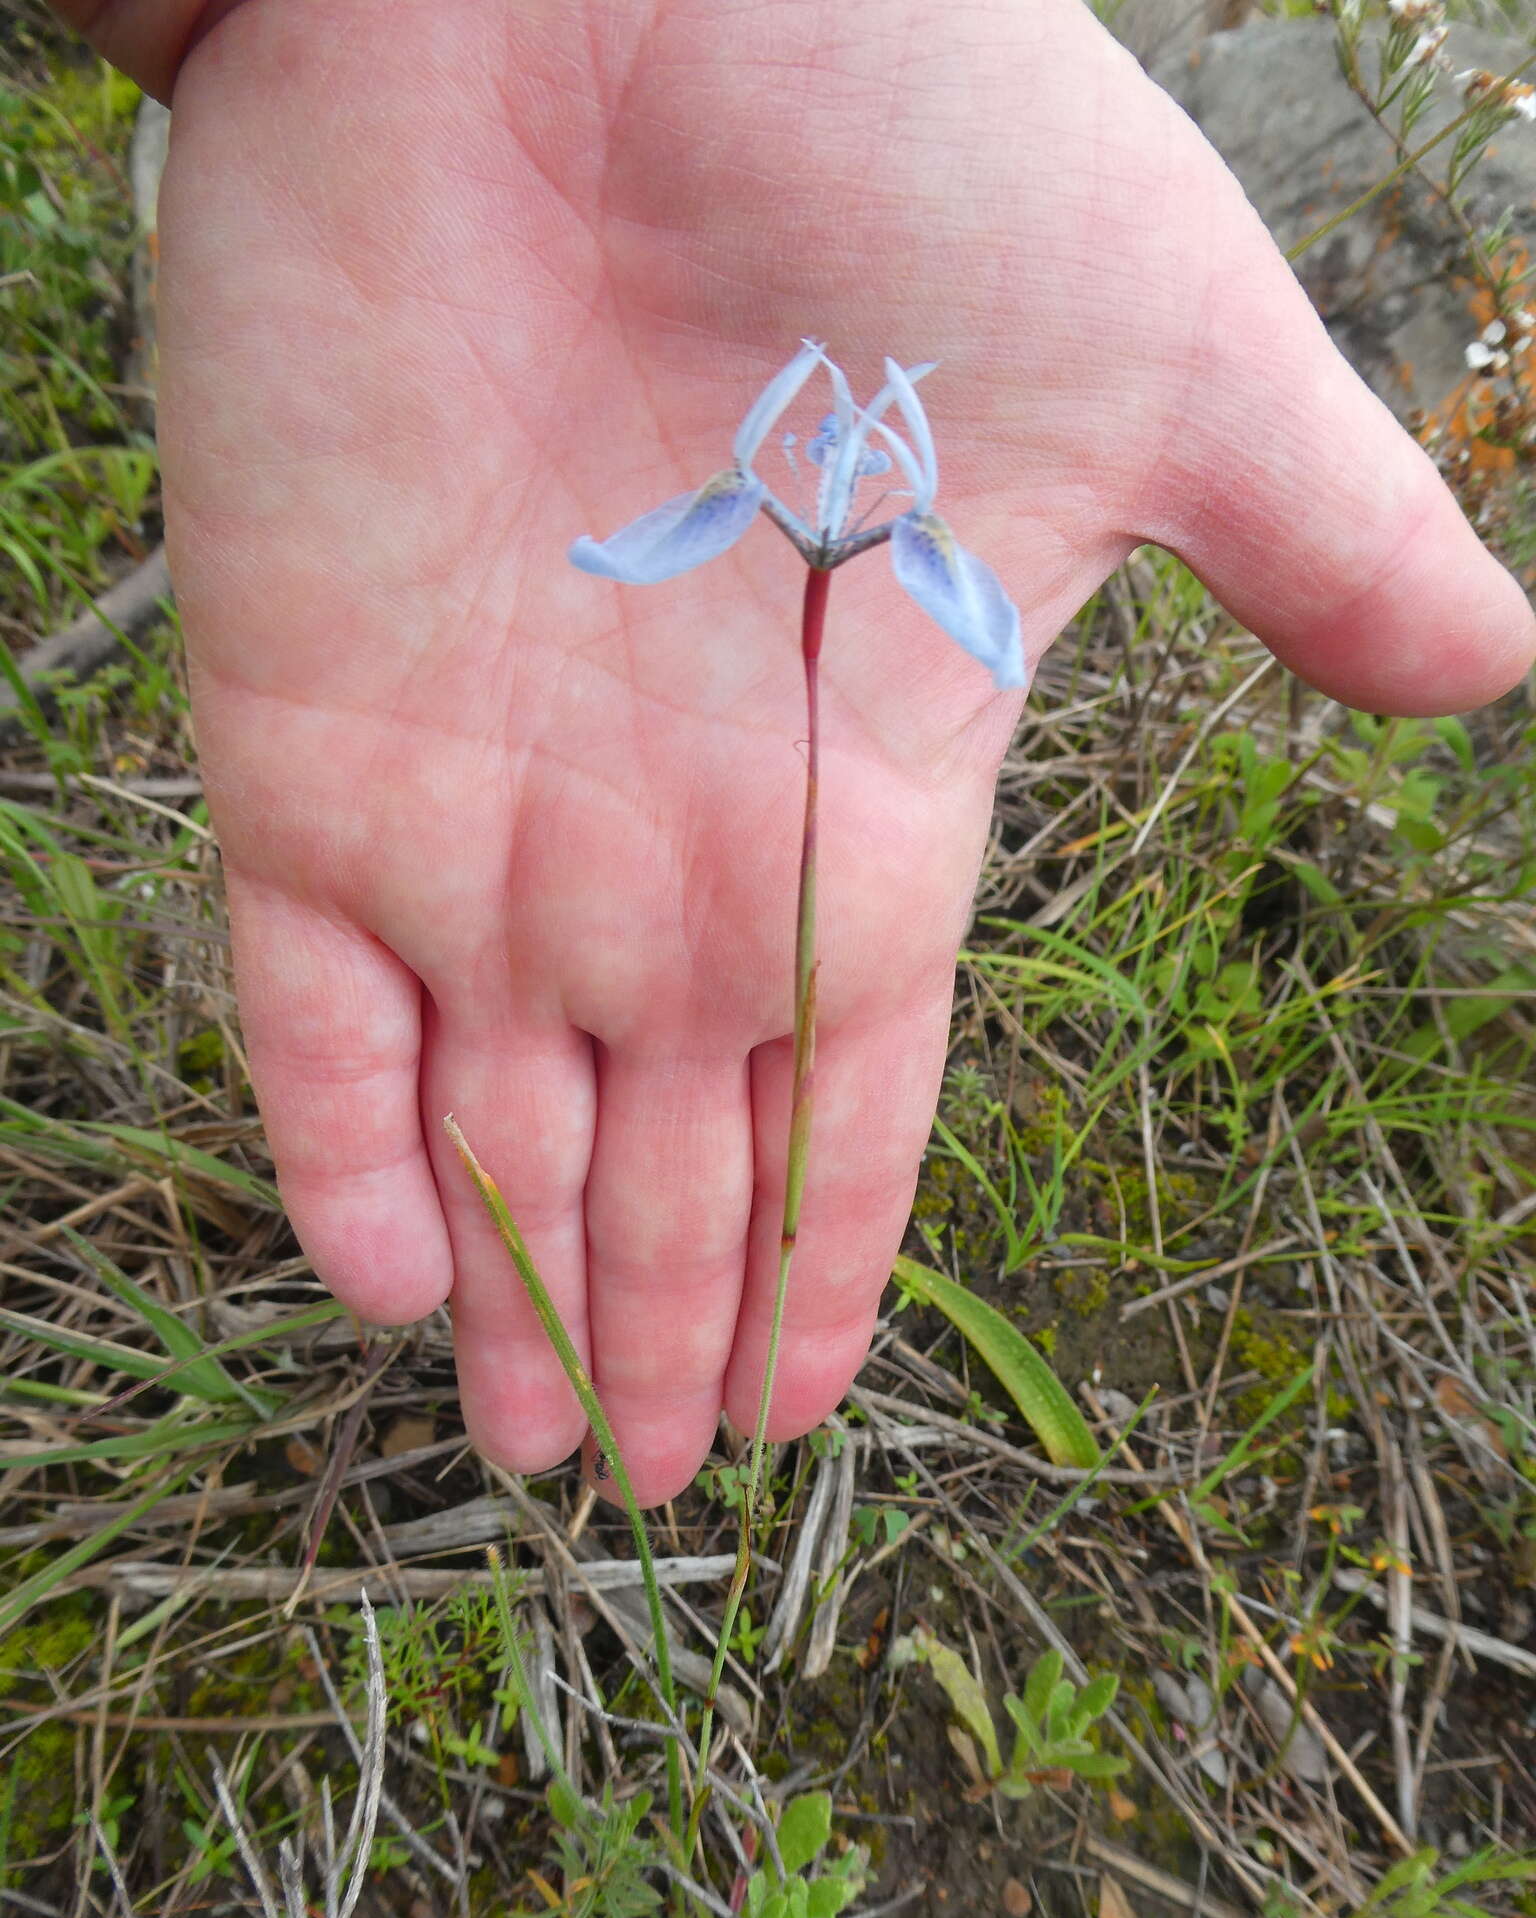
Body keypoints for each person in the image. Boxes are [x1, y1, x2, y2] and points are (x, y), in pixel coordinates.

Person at [55, 0, 1535, 1506]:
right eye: (832, 435)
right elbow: (640, 547)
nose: (841, 445)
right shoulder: (765, 493)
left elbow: (975, 614)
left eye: (857, 433)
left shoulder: (910, 528)